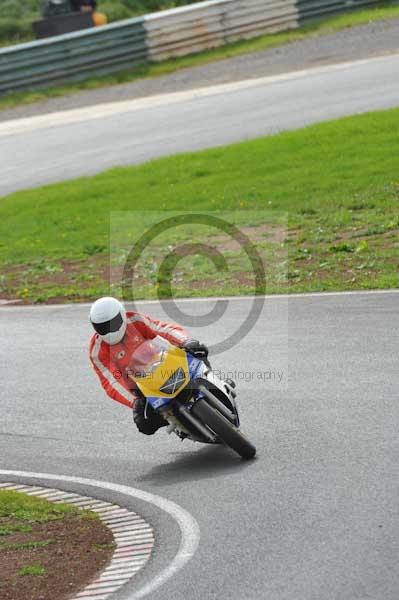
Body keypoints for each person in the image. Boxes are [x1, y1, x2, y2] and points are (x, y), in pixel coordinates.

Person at [89, 297, 209, 435]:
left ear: (122, 315)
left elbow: (162, 329)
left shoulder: (134, 320)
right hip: (143, 388)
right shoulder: (97, 352)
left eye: (113, 323)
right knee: (144, 424)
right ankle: (176, 421)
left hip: (164, 361)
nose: (109, 330)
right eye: (103, 327)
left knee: (197, 351)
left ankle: (211, 377)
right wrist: (134, 401)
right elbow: (111, 382)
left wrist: (186, 341)